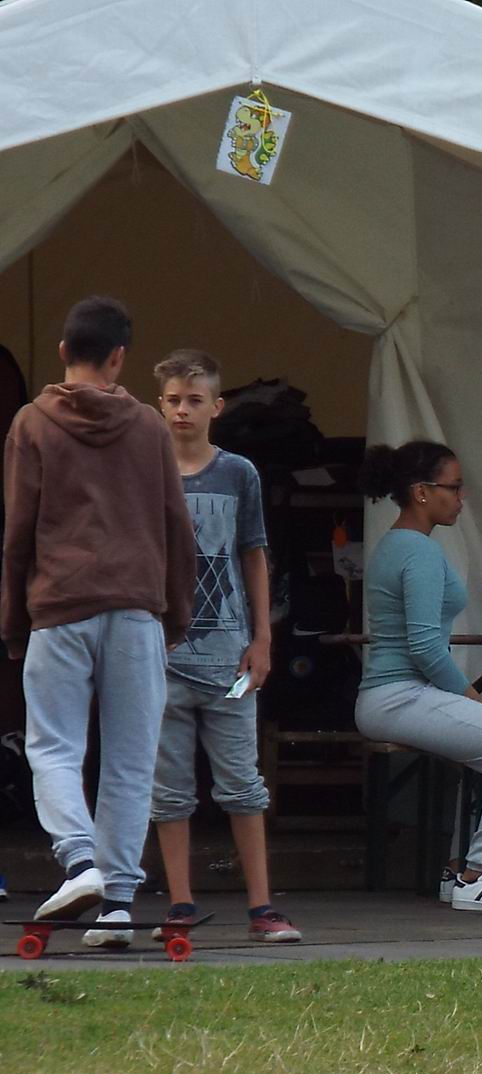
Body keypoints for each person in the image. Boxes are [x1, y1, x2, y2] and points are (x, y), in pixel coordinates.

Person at [2, 297, 196, 943]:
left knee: (54, 746)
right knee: (131, 760)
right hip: (137, 608)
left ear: (63, 351)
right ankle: (116, 906)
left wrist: (14, 619)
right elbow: (176, 526)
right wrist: (175, 615)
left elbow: (18, 532)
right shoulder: (149, 427)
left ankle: (79, 862)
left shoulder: (32, 423)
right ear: (119, 358)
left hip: (60, 605)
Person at [354, 440, 482, 911]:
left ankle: (456, 870)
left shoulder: (395, 543)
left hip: (394, 695)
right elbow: (426, 646)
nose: (462, 497)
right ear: (421, 492)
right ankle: (479, 875)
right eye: (455, 487)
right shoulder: (418, 552)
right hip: (399, 695)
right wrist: (472, 697)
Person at [147, 350, 300, 943]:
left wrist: (263, 638)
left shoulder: (239, 473)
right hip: (162, 658)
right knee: (168, 790)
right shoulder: (145, 470)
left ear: (218, 406)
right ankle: (180, 904)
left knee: (242, 782)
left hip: (230, 656)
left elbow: (254, 554)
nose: (182, 411)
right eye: (172, 400)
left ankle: (262, 906)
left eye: (194, 400)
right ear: (159, 405)